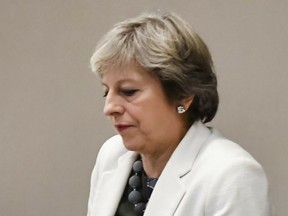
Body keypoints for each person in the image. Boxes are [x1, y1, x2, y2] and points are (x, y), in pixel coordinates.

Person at [87, 12, 270, 216]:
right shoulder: (111, 155)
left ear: (183, 96)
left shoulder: (231, 175)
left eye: (129, 91)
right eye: (106, 91)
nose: (109, 108)